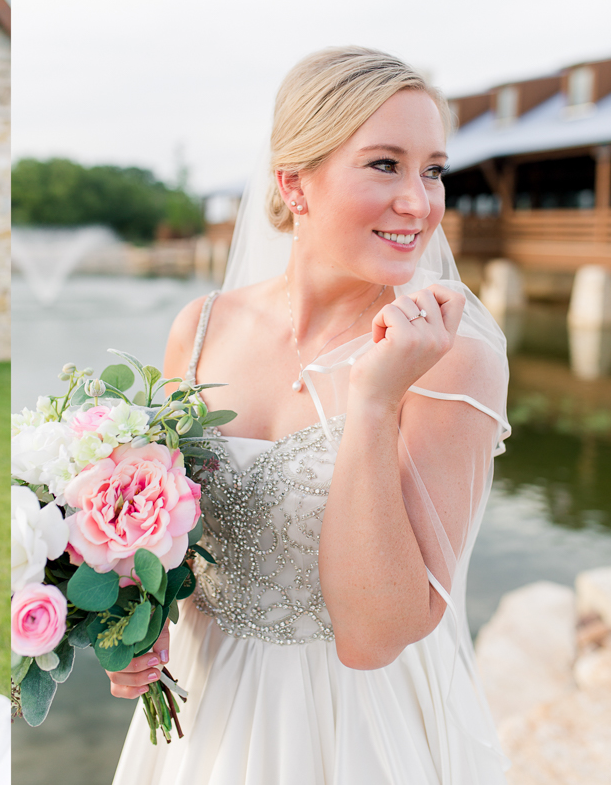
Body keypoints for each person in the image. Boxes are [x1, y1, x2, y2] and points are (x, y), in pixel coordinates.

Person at [108, 48, 511, 784]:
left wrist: (376, 400)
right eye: (385, 165)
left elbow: (372, 635)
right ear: (295, 182)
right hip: (200, 713)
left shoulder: (452, 360)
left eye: (433, 169)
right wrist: (131, 626)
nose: (419, 202)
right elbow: (167, 538)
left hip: (350, 729)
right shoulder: (199, 326)